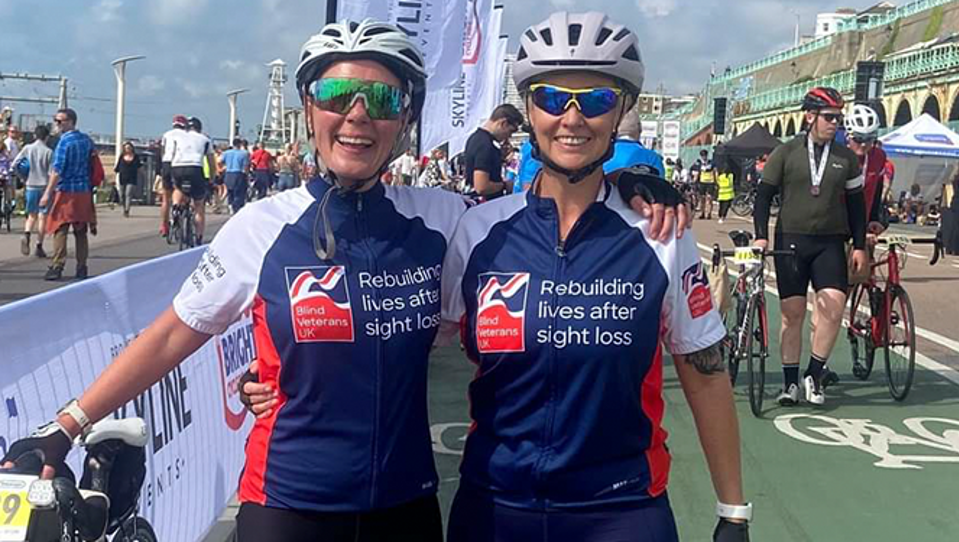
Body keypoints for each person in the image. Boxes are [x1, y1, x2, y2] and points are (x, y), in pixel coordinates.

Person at [1, 19, 686, 542]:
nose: (356, 113)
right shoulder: (263, 226)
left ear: (405, 119)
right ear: (309, 108)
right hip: (287, 505)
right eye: (336, 94)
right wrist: (67, 424)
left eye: (380, 98)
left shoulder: (447, 220)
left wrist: (630, 184)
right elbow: (175, 331)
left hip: (407, 507)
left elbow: (525, 251)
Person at [442, 12, 748, 542]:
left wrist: (733, 511)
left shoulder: (660, 233)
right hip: (494, 508)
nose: (573, 117)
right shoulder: (478, 232)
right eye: (554, 98)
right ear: (529, 109)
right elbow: (410, 345)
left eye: (598, 100)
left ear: (622, 111)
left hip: (622, 510)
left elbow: (704, 373)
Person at [753, 87, 867, 406]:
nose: (835, 124)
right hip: (791, 239)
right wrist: (761, 235)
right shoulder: (786, 152)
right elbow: (763, 198)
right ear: (810, 116)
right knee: (792, 314)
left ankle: (813, 375)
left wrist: (859, 246)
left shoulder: (846, 158)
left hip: (831, 241)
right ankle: (789, 382)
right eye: (830, 117)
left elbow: (857, 206)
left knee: (832, 306)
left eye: (839, 118)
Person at [41, 108, 97, 281]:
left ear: (71, 121)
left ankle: (58, 265)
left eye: (60, 121)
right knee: (81, 231)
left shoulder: (64, 142)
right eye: (56, 120)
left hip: (66, 191)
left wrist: (47, 193)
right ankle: (82, 267)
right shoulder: (86, 140)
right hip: (84, 190)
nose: (57, 124)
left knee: (60, 228)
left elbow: (57, 170)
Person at [169, 116, 214, 245]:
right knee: (199, 205)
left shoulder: (179, 138)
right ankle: (199, 237)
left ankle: (176, 208)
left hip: (177, 167)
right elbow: (211, 163)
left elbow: (171, 154)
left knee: (178, 188)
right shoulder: (205, 139)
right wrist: (211, 178)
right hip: (195, 168)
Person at [464, 104, 523, 199]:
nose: (510, 136)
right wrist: (504, 185)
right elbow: (481, 187)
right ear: (504, 124)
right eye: (511, 131)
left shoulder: (476, 138)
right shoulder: (485, 145)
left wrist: (501, 158)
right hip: (485, 205)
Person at [14, 124, 53, 257]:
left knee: (31, 215)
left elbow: (15, 164)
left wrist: (23, 177)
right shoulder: (48, 152)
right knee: (43, 217)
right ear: (47, 137)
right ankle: (39, 245)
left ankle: (26, 234)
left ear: (35, 135)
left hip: (30, 185)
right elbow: (51, 172)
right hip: (44, 186)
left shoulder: (27, 148)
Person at [158, 115, 188, 237]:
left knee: (165, 198)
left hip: (166, 163)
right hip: (180, 164)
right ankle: (178, 208)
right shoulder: (187, 136)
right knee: (181, 189)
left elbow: (162, 151)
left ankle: (164, 226)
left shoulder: (166, 134)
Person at [220, 138, 251, 214]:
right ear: (240, 144)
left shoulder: (226, 153)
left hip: (228, 173)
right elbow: (246, 166)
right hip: (238, 174)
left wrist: (223, 168)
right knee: (239, 193)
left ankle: (230, 205)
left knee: (230, 191)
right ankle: (235, 207)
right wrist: (247, 176)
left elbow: (219, 161)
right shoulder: (244, 153)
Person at [113, 141, 142, 218]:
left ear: (132, 148)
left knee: (128, 194)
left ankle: (127, 210)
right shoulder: (121, 156)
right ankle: (124, 207)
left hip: (132, 178)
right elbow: (117, 168)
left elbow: (139, 167)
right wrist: (114, 176)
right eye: (126, 148)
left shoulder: (136, 157)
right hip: (122, 177)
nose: (128, 149)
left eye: (129, 148)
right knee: (122, 195)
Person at [695, 148, 717, 219]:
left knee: (709, 198)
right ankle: (702, 213)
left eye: (705, 155)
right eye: (702, 155)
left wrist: (716, 181)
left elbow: (715, 172)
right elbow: (697, 173)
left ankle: (709, 213)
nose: (703, 157)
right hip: (702, 182)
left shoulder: (711, 163)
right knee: (702, 198)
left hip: (710, 182)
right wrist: (695, 181)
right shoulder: (699, 163)